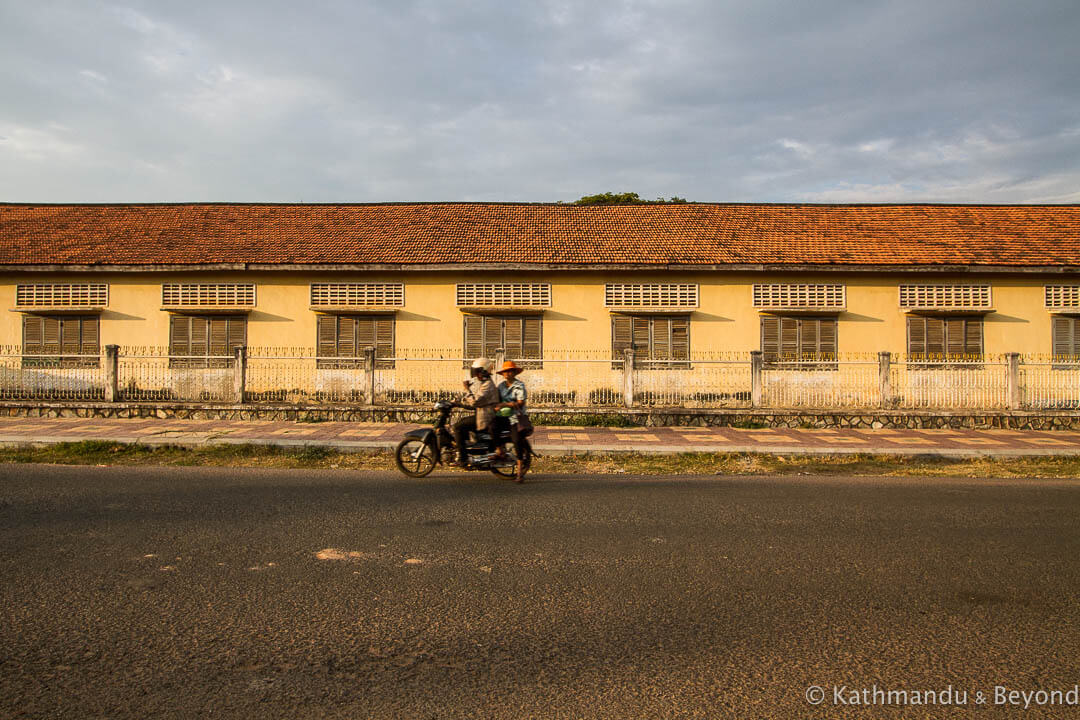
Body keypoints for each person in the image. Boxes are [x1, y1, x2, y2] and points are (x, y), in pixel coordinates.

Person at [453, 357, 499, 466]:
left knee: (457, 427)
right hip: (482, 414)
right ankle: (468, 449)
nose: (477, 375)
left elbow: (474, 402)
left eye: (478, 372)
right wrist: (458, 403)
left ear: (484, 372)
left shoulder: (487, 385)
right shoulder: (485, 383)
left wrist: (466, 389)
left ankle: (463, 458)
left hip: (485, 418)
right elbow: (477, 402)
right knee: (463, 422)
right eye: (476, 372)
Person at [493, 360, 529, 482]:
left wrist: (505, 404)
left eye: (510, 371)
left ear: (514, 373)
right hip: (502, 417)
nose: (507, 374)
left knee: (516, 440)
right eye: (505, 372)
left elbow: (520, 402)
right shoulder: (501, 386)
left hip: (515, 418)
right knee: (491, 427)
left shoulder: (519, 385)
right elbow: (495, 399)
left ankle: (519, 472)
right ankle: (499, 450)